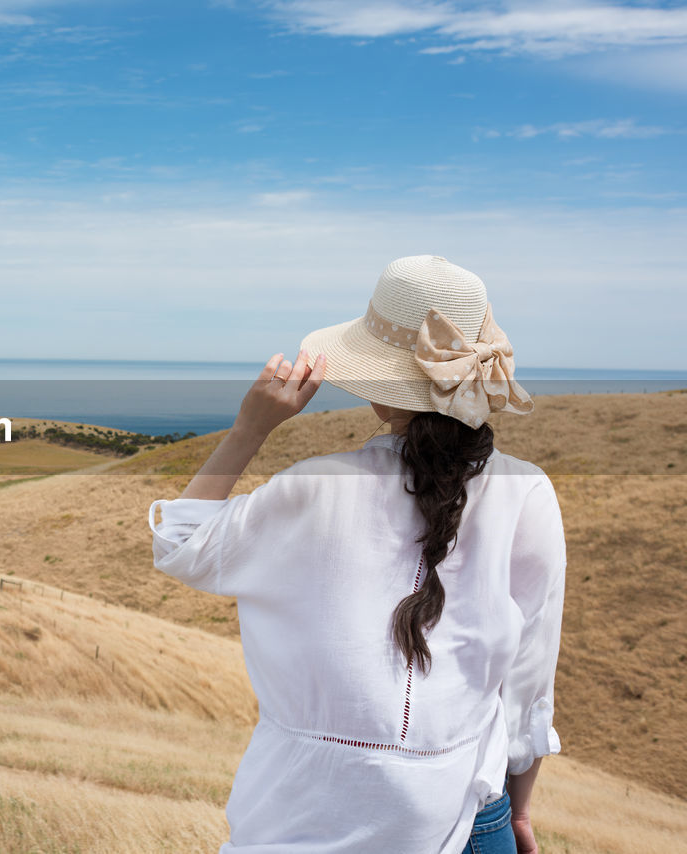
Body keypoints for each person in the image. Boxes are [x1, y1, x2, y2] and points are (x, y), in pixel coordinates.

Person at [148, 255, 565, 853]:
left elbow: (179, 542)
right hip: (473, 822)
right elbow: (529, 674)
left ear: (376, 390)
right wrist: (517, 811)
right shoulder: (527, 492)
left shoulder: (315, 487)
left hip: (307, 819)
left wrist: (250, 428)